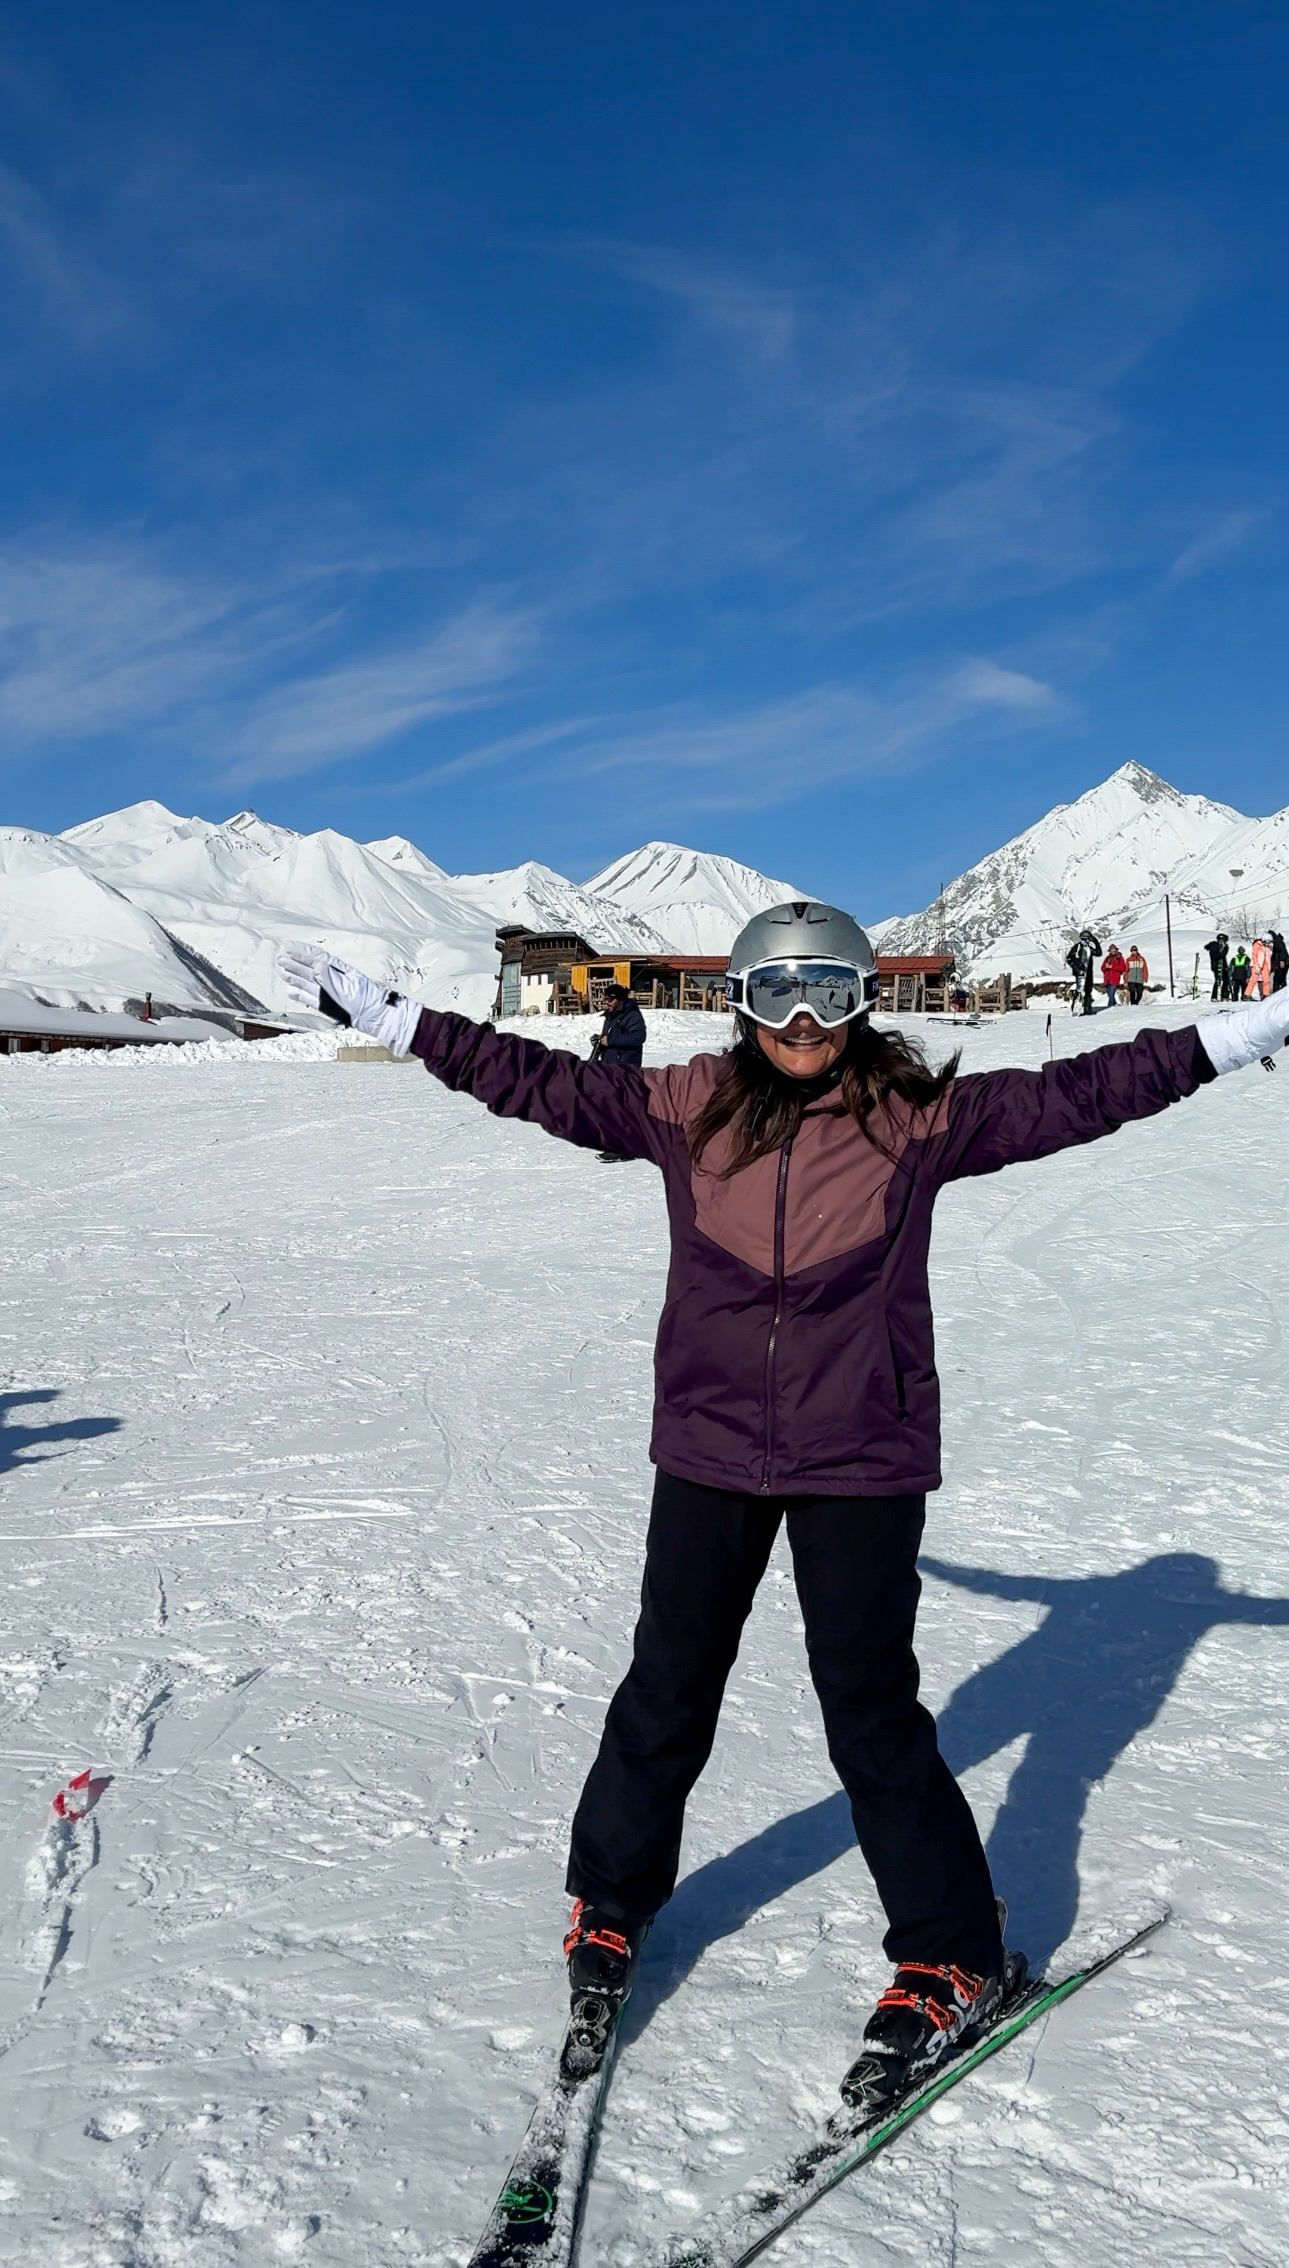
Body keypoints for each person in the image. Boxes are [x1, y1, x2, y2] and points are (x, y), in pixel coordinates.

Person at [278, 910, 1289, 2112]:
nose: (803, 1020)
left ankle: (952, 1952)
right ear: (741, 1004)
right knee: (668, 1682)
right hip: (708, 1448)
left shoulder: (919, 1119)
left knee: (867, 1708)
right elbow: (529, 1078)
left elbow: (1088, 1090)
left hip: (859, 1452)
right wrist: (394, 1017)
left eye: (827, 991)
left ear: (863, 999)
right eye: (776, 993)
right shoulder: (680, 1105)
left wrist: (1248, 1030)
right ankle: (610, 1908)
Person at [588, 983, 647, 1163]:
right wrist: (599, 1041)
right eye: (605, 998)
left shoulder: (632, 1015)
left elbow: (638, 1038)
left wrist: (611, 1040)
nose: (607, 1002)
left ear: (619, 999)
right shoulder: (611, 1017)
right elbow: (609, 1040)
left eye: (610, 998)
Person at [1065, 928, 1101, 1016]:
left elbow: (1098, 953)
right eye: (1089, 938)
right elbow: (1069, 959)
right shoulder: (1077, 947)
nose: (1089, 940)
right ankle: (1076, 1007)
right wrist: (1076, 967)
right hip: (1079, 973)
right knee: (1080, 990)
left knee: (1088, 990)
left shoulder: (1088, 949)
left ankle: (1087, 1009)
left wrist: (1096, 942)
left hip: (1088, 973)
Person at [1205, 934, 1229, 1001]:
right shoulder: (1214, 946)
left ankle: (1224, 996)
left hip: (1223, 966)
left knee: (1226, 980)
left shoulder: (1223, 946)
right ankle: (1215, 996)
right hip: (1216, 966)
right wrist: (1224, 951)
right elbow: (1215, 956)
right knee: (1218, 980)